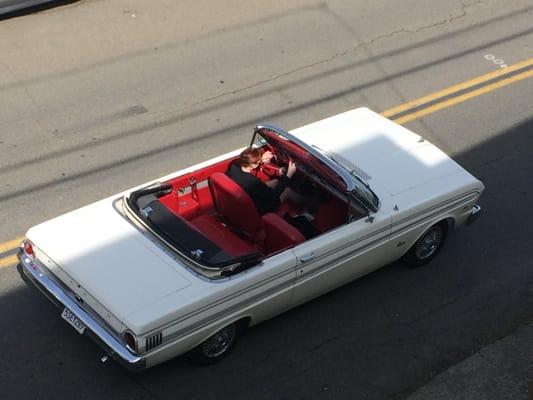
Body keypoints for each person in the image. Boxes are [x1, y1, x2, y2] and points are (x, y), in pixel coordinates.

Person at [227, 147, 297, 215]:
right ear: (254, 164)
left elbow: (252, 164)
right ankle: (305, 202)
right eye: (259, 160)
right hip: (262, 208)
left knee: (276, 182)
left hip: (248, 196)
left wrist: (260, 160)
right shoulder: (253, 182)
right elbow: (273, 196)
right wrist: (289, 175)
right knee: (287, 191)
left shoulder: (234, 166)